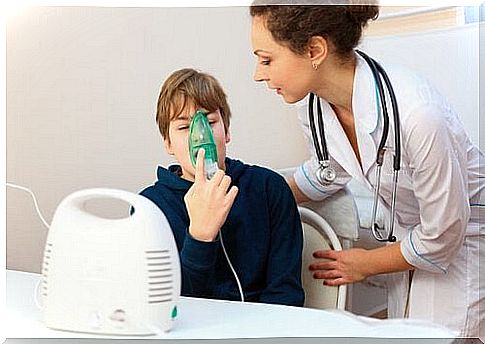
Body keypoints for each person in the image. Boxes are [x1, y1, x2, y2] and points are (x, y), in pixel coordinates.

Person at [249, 1, 484, 337]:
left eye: (266, 59)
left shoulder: (419, 114)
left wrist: (363, 264)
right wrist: (251, 193)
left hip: (465, 237)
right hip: (413, 236)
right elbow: (326, 173)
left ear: (315, 49)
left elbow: (444, 233)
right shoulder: (314, 105)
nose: (258, 73)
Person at [139, 68, 304, 307]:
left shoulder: (269, 189)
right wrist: (200, 237)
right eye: (184, 128)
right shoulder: (150, 209)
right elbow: (166, 307)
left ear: (226, 130)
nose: (200, 136)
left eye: (210, 122)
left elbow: (286, 295)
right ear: (168, 143)